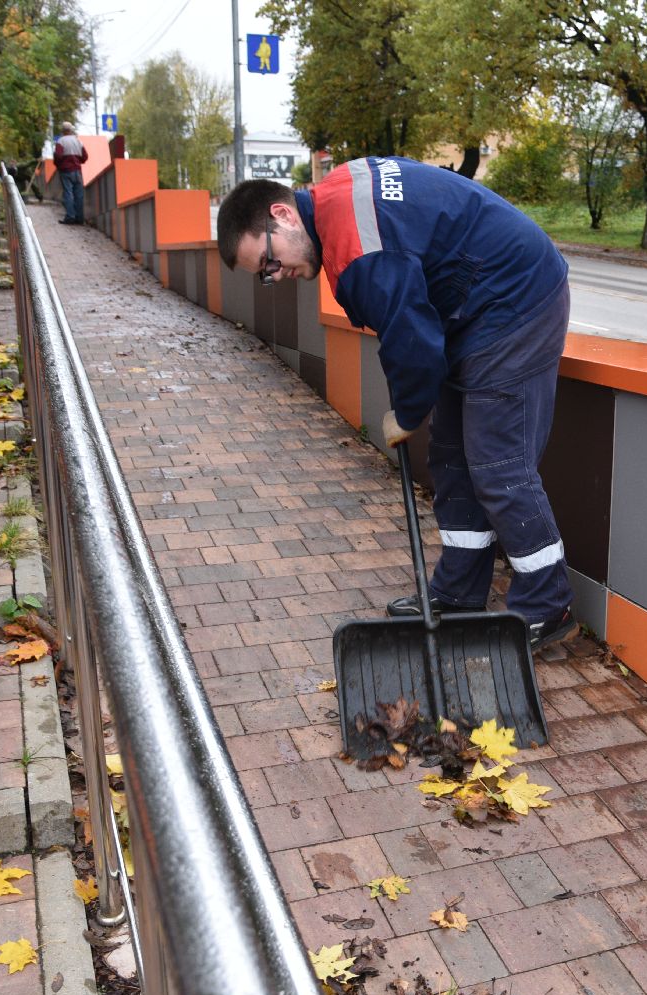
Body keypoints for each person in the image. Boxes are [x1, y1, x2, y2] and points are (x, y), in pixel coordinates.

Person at [215, 160, 576, 651]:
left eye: (268, 262)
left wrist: (406, 415)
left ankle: (546, 605)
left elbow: (412, 345)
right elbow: (410, 324)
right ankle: (459, 592)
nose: (275, 277)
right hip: (470, 310)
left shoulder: (357, 249)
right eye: (264, 276)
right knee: (451, 455)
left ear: (282, 214)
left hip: (515, 301)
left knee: (498, 463)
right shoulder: (332, 200)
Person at [53, 122, 87, 225]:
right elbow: (85, 157)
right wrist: (77, 161)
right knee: (79, 194)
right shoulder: (78, 141)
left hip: (65, 171)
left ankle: (70, 217)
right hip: (77, 170)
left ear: (62, 131)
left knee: (68, 193)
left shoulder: (61, 142)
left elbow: (58, 156)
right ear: (71, 130)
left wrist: (58, 165)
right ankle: (80, 218)